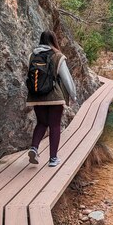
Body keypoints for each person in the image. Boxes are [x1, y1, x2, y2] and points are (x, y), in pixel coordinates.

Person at [26, 30, 77, 167]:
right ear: (53, 40)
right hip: (54, 96)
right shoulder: (58, 56)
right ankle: (53, 159)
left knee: (41, 123)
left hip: (36, 96)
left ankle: (34, 148)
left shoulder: (32, 56)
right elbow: (66, 79)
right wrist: (73, 95)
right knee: (54, 125)